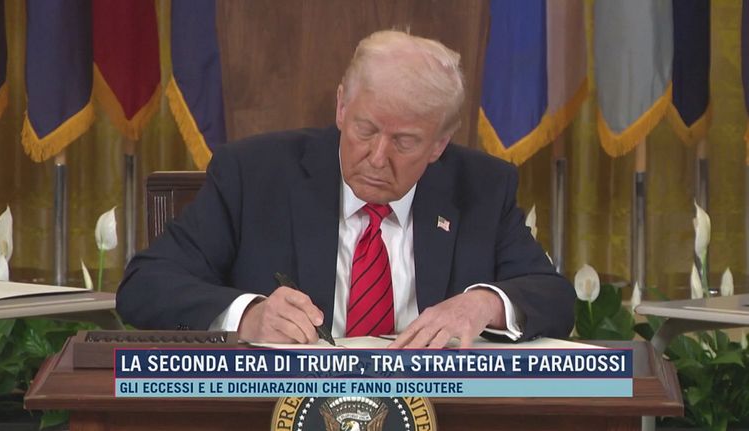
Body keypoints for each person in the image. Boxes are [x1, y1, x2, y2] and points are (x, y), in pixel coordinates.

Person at [117, 30, 575, 348]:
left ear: (439, 144)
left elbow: (552, 297)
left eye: (404, 142)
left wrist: (483, 304)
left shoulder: (481, 187)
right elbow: (145, 285)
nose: (377, 157)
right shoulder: (254, 175)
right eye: (365, 130)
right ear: (341, 107)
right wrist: (249, 316)